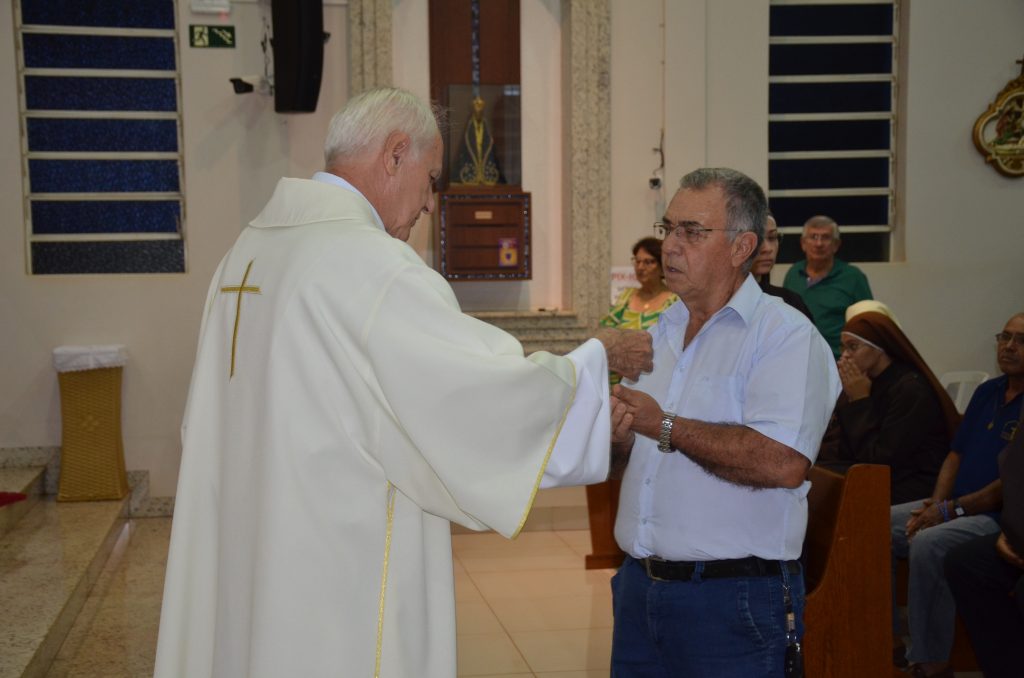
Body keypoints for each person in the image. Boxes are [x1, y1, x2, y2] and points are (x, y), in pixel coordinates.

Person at [152, 87, 653, 678]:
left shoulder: (247, 253)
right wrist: (595, 365)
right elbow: (475, 394)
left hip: (251, 542)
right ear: (394, 155)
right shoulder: (371, 266)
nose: (429, 204)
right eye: (431, 179)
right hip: (333, 561)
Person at [608, 168, 840, 677]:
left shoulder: (785, 337)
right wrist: (616, 436)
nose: (671, 246)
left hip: (732, 600)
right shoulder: (662, 331)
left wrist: (661, 425)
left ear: (743, 247)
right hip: (638, 588)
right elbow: (633, 458)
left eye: (692, 232)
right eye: (668, 228)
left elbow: (782, 462)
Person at [890, 313, 1024, 678]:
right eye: (1004, 337)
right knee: (878, 523)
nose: (1009, 346)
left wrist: (951, 511)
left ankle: (932, 661)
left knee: (931, 542)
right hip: (955, 505)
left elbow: (1009, 485)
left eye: (1020, 341)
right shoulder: (988, 392)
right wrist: (937, 501)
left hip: (999, 517)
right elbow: (956, 454)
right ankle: (884, 638)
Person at [818, 310, 959, 504]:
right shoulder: (866, 379)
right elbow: (846, 446)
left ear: (879, 348)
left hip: (913, 478)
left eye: (853, 347)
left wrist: (859, 401)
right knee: (814, 472)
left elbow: (881, 460)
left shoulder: (911, 389)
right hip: (874, 467)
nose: (845, 356)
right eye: (843, 348)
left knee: (830, 488)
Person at [945, 395, 1024, 678]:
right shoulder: (992, 392)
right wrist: (1013, 530)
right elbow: (1016, 471)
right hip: (1017, 532)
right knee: (966, 563)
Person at [783, 215, 873, 358]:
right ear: (803, 243)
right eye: (813, 237)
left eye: (825, 237)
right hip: (798, 358)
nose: (819, 244)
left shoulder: (853, 277)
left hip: (839, 361)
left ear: (836, 245)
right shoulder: (793, 274)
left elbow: (868, 325)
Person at [600, 236, 678, 384]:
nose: (640, 267)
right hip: (618, 380)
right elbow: (607, 332)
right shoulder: (626, 296)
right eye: (637, 261)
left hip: (656, 381)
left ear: (662, 266)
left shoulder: (674, 301)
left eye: (648, 262)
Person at [753, 213, 813, 320]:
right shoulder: (719, 302)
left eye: (772, 237)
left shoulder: (791, 302)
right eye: (758, 239)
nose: (767, 249)